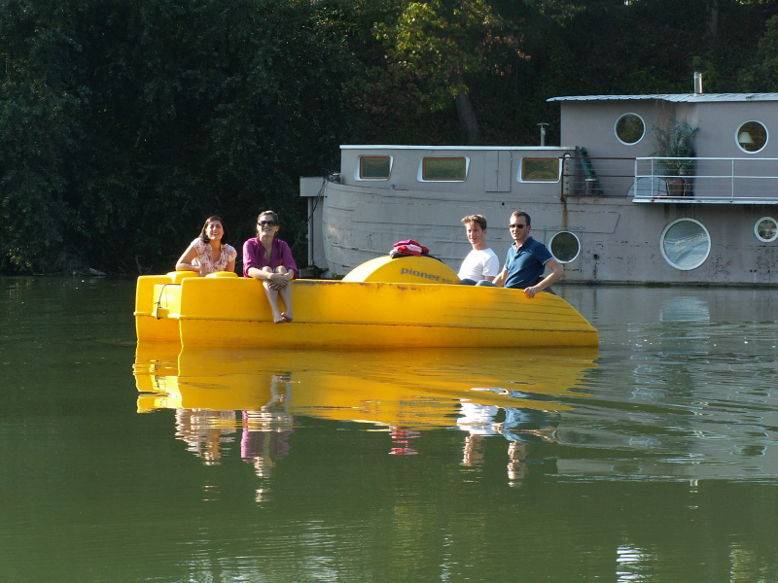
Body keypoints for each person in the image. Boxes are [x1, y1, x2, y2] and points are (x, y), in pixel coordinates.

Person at [243, 210, 298, 323]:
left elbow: (292, 268)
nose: (266, 225)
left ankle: (289, 311)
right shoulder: (249, 244)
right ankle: (275, 312)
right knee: (266, 269)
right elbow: (249, 270)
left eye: (270, 223)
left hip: (278, 279)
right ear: (257, 227)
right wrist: (271, 276)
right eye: (262, 223)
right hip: (258, 280)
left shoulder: (282, 245)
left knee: (282, 269)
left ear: (276, 227)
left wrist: (285, 277)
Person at [492, 210, 563, 298]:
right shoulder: (511, 250)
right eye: (512, 226)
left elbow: (559, 270)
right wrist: (488, 288)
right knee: (479, 284)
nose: (515, 229)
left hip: (521, 299)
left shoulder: (536, 247)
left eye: (520, 226)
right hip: (508, 295)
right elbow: (502, 277)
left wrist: (536, 288)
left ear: (528, 228)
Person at [457, 214, 500, 285]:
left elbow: (487, 289)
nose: (472, 234)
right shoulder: (472, 253)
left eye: (475, 230)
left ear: (484, 231)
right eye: (469, 231)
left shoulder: (490, 257)